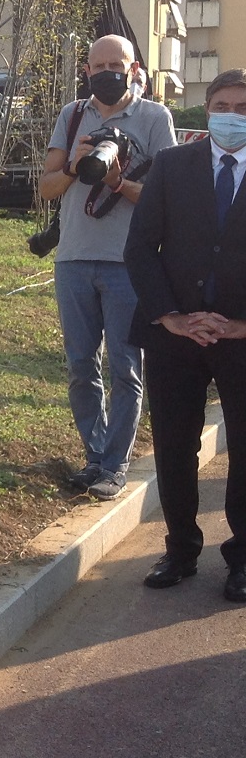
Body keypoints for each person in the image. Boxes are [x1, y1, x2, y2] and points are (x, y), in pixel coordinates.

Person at [124, 68, 246, 603]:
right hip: (175, 336)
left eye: (243, 108)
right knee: (174, 446)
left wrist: (242, 326)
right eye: (222, 106)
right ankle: (179, 551)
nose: (232, 116)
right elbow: (140, 248)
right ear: (207, 110)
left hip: (242, 338)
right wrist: (171, 317)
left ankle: (243, 559)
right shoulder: (172, 166)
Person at [38, 34, 175, 501]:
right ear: (87, 71)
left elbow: (166, 195)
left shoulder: (155, 118)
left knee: (125, 367)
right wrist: (74, 167)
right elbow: (47, 188)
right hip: (74, 259)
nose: (107, 73)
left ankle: (115, 465)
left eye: (117, 65)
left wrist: (118, 181)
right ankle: (95, 456)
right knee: (81, 365)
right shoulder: (73, 115)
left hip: (129, 263)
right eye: (98, 66)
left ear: (134, 69)